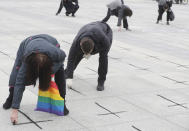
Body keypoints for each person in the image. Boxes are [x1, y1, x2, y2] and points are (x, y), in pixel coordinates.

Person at [2, 34, 69, 124]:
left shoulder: (57, 54)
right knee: (16, 73)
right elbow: (20, 82)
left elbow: (62, 59)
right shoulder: (27, 59)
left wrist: (50, 72)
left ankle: (62, 103)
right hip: (27, 44)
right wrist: (15, 109)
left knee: (60, 76)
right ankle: (10, 98)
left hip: (51, 42)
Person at [65, 21, 113, 91]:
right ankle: (67, 72)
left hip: (106, 31)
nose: (87, 55)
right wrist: (69, 77)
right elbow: (71, 59)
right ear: (80, 45)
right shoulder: (76, 43)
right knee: (78, 54)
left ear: (93, 45)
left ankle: (101, 81)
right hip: (88, 29)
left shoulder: (103, 39)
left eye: (90, 52)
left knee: (103, 57)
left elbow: (104, 54)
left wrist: (92, 52)